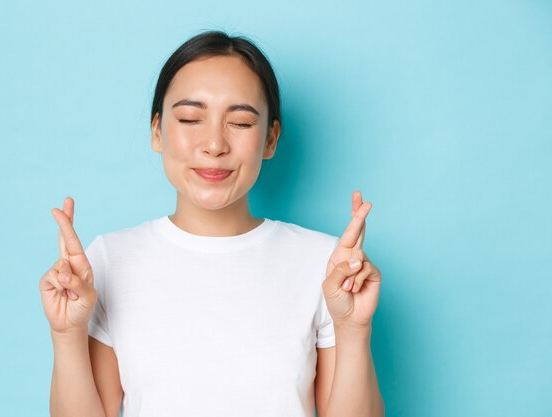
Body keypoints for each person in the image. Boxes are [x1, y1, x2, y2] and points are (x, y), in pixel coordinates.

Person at [39, 30, 384, 417]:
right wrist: (67, 335)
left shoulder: (323, 264)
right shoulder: (109, 259)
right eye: (190, 118)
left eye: (239, 123)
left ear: (271, 140)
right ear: (157, 131)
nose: (214, 144)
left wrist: (354, 331)